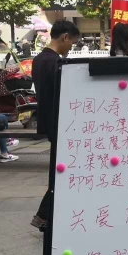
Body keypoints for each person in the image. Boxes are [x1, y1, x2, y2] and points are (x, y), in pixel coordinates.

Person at [30, 20, 81, 230]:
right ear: (65, 37)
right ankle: (43, 216)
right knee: (62, 172)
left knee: (60, 171)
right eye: (72, 43)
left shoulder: (38, 60)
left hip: (49, 122)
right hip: (61, 123)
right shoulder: (57, 63)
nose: (71, 47)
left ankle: (46, 216)